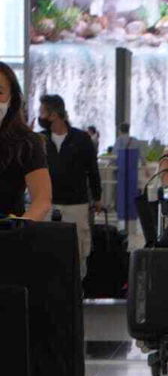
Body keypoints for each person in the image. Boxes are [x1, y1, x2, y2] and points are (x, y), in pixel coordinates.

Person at [37, 95, 102, 278]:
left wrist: (97, 197)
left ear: (55, 114)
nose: (40, 116)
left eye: (43, 112)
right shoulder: (40, 139)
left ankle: (77, 290)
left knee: (79, 249)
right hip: (47, 204)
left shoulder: (81, 139)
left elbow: (92, 170)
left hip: (76, 204)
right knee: (47, 249)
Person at [0, 61, 51, 221]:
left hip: (8, 240)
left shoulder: (27, 143)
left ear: (11, 98)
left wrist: (19, 227)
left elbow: (41, 200)